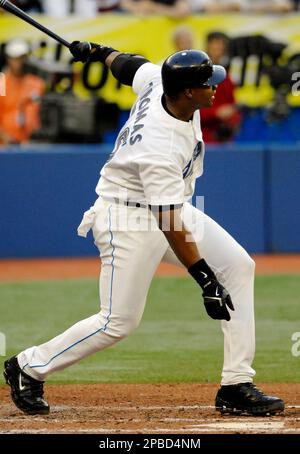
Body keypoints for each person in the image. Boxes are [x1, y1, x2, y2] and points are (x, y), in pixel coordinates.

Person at [4, 41, 284, 417]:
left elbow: (129, 65)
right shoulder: (159, 146)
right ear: (187, 92)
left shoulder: (158, 82)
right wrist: (204, 279)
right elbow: (168, 219)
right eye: (207, 83)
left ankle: (236, 384)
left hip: (162, 207)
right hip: (126, 219)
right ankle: (29, 365)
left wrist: (99, 52)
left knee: (237, 266)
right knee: (118, 322)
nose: (215, 86)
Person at [0, 38, 45, 145]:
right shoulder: (1, 81)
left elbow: (42, 114)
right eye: (15, 58)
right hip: (4, 146)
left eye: (22, 57)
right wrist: (6, 138)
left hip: (30, 144)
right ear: (8, 59)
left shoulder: (37, 83)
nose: (18, 62)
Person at [200, 32, 241, 143]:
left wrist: (233, 121)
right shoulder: (198, 76)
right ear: (207, 48)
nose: (218, 52)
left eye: (220, 49)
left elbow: (232, 105)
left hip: (222, 138)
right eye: (215, 48)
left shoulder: (226, 77)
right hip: (202, 138)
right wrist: (216, 113)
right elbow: (191, 110)